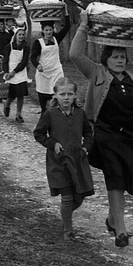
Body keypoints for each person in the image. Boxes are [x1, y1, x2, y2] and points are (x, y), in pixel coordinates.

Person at [70, 10, 133, 248]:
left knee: (123, 181)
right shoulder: (96, 73)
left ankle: (113, 220)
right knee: (115, 178)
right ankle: (121, 231)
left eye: (122, 56)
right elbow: (74, 54)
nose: (120, 60)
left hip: (130, 138)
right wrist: (83, 26)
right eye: (114, 56)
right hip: (104, 136)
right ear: (106, 59)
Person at [33, 78, 95, 241]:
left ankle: (65, 215)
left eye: (70, 94)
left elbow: (89, 134)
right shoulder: (50, 114)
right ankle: (68, 230)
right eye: (62, 94)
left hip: (77, 160)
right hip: (58, 160)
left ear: (75, 96)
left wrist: (85, 147)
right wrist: (52, 144)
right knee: (66, 196)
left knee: (80, 195)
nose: (66, 97)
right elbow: (39, 133)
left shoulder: (80, 114)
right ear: (55, 96)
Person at [30, 14, 71, 113]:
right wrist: (37, 65)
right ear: (43, 31)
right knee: (43, 97)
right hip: (43, 72)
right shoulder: (38, 42)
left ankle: (58, 114)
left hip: (56, 70)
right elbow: (33, 56)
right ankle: (44, 115)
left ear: (53, 30)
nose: (48, 32)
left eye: (50, 30)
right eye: (46, 30)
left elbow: (67, 27)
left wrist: (65, 13)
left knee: (57, 92)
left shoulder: (57, 38)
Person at [2, 27, 30, 123]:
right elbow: (5, 60)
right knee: (11, 93)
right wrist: (6, 72)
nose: (21, 36)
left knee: (20, 94)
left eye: (23, 34)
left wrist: (14, 72)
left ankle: (18, 114)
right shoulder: (9, 47)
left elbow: (24, 62)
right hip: (10, 71)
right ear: (15, 36)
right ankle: (7, 105)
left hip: (20, 72)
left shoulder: (26, 47)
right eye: (19, 34)